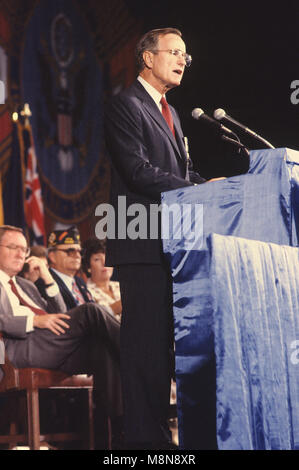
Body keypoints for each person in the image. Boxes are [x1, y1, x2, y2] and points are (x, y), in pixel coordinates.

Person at [105, 27, 224, 449]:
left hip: (171, 243)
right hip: (139, 240)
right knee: (145, 356)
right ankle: (143, 446)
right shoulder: (126, 104)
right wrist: (195, 190)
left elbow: (181, 172)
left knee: (163, 356)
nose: (181, 60)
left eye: (185, 55)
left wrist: (213, 186)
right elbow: (137, 171)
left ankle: (160, 440)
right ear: (147, 58)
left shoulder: (170, 111)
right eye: (174, 52)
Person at [0, 225, 121, 447]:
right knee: (91, 311)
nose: (20, 254)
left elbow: (61, 314)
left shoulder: (26, 286)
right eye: (13, 247)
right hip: (16, 349)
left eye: (24, 250)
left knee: (101, 349)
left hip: (48, 345)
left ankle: (121, 432)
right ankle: (144, 354)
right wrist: (33, 321)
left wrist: (47, 278)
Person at [81, 238, 122, 320]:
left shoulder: (121, 285)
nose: (104, 263)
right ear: (88, 266)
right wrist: (115, 308)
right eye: (97, 259)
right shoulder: (85, 293)